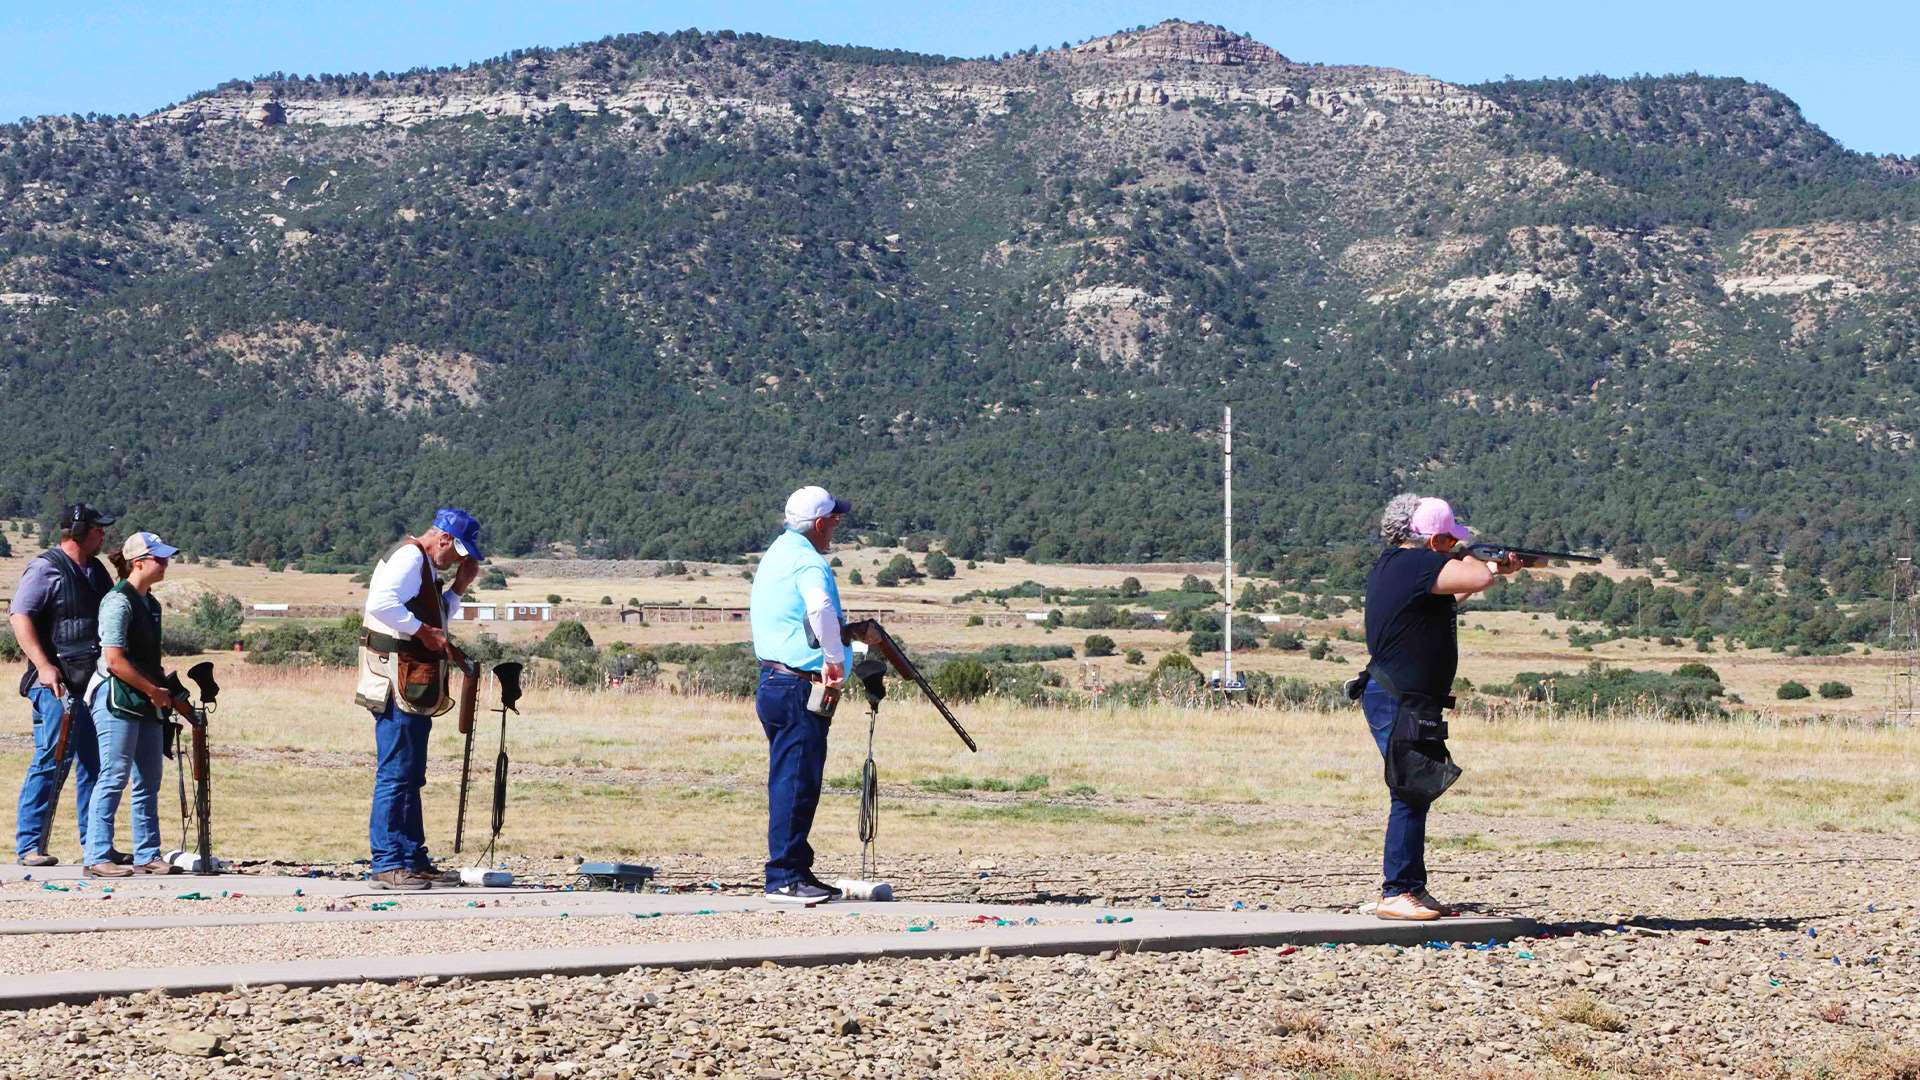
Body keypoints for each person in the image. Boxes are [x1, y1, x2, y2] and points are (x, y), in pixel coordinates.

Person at [1360, 495, 1519, 921]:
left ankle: (1411, 886)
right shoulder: (1412, 565)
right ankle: (1396, 892)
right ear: (1434, 539)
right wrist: (1489, 567)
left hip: (1406, 696)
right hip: (1399, 696)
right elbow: (1476, 579)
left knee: (1417, 790)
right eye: (1449, 540)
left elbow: (1456, 592)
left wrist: (1490, 569)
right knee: (1410, 791)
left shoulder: (1402, 567)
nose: (1454, 547)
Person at [353, 508, 482, 890]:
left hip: (410, 683)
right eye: (457, 554)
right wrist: (422, 631)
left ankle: (411, 858)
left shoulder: (422, 564)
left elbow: (433, 616)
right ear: (444, 540)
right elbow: (382, 604)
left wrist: (456, 590)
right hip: (396, 682)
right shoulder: (411, 558)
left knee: (409, 775)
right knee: (396, 776)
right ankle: (389, 862)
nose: (456, 561)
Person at [748, 485, 851, 904]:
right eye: (834, 520)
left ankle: (795, 868)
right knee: (796, 781)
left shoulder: (778, 553)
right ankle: (785, 876)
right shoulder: (809, 561)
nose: (837, 527)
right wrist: (835, 660)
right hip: (797, 684)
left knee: (791, 778)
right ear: (821, 523)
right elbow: (820, 607)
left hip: (773, 681)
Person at [11, 503, 122, 868]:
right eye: (96, 529)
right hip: (55, 683)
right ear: (77, 531)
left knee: (95, 763)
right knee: (50, 761)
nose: (102, 534)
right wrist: (43, 666)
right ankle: (30, 846)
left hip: (92, 683)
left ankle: (96, 847)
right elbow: (20, 615)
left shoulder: (96, 571)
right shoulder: (45, 568)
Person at [83, 531, 192, 878]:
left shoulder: (150, 604)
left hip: (144, 699)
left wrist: (168, 692)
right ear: (138, 562)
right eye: (158, 558)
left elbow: (147, 660)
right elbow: (114, 660)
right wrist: (155, 690)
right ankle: (97, 855)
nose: (165, 563)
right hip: (117, 698)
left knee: (148, 778)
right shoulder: (119, 601)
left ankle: (148, 852)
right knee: (113, 775)